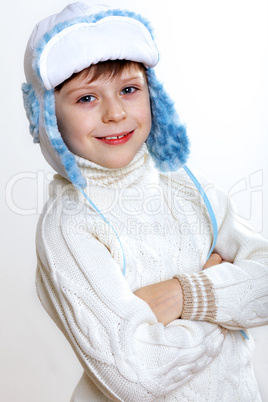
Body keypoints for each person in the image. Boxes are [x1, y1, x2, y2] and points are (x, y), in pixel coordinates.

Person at [22, 2, 268, 401]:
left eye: (129, 90)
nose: (115, 112)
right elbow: (136, 375)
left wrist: (184, 295)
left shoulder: (188, 186)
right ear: (49, 118)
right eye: (86, 99)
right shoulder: (69, 227)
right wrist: (225, 302)